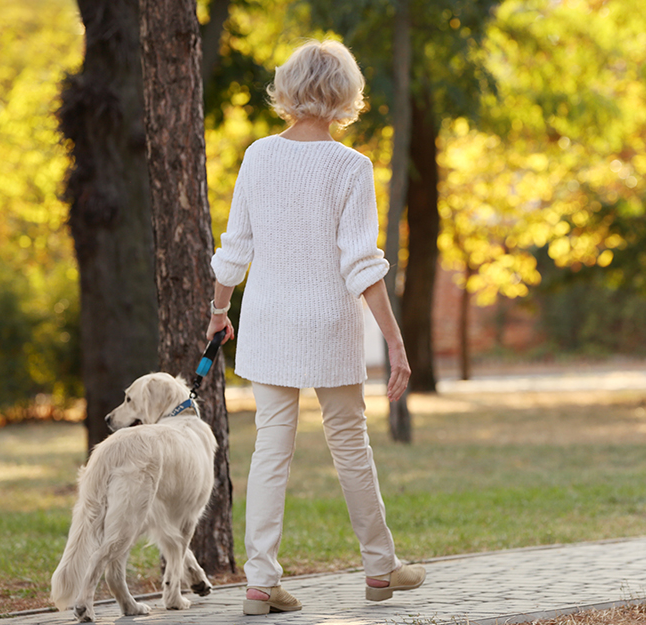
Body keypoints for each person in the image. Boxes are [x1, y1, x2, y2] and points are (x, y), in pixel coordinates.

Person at [205, 39, 424, 615]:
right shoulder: (351, 167)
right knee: (350, 444)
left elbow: (235, 248)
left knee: (271, 450)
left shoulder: (257, 156)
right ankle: (380, 569)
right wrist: (396, 343)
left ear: (289, 87)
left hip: (268, 322)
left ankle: (259, 582)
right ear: (346, 95)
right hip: (329, 323)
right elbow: (361, 264)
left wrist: (218, 313)